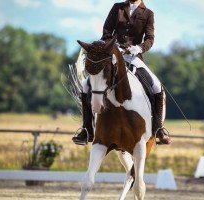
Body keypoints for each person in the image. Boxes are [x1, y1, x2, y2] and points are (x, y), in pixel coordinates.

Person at [72, 0, 171, 145]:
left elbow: (150, 39)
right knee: (86, 85)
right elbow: (107, 30)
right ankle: (86, 130)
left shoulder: (148, 13)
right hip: (113, 54)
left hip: (133, 56)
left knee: (156, 86)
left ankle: (158, 129)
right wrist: (111, 45)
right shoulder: (117, 7)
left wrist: (139, 48)